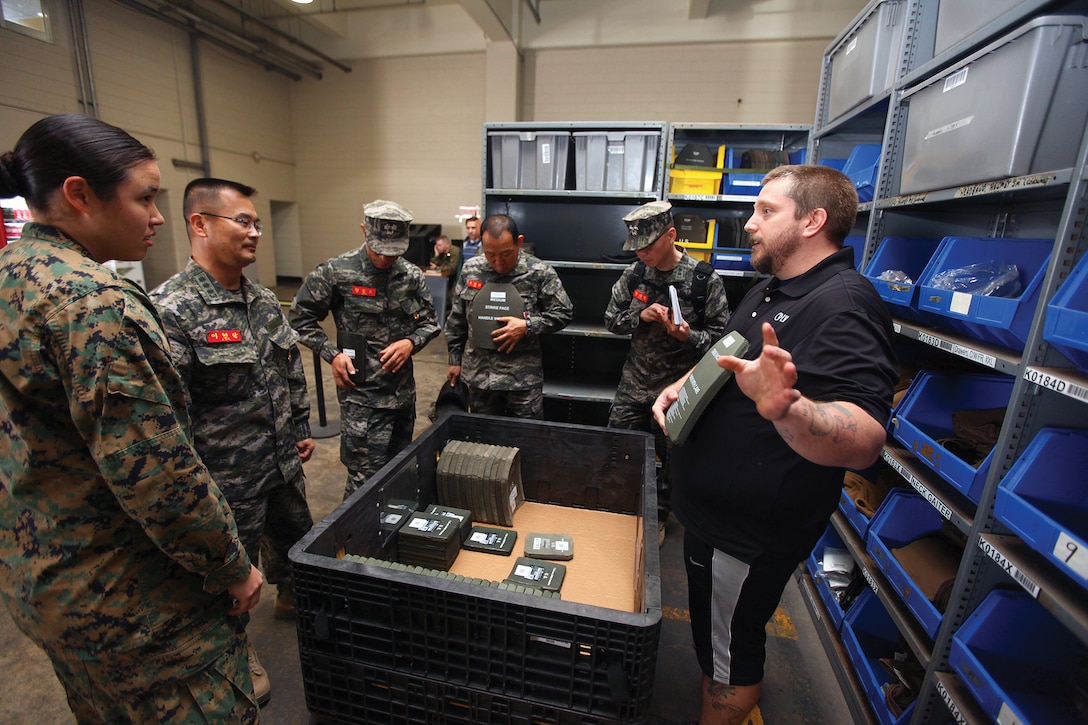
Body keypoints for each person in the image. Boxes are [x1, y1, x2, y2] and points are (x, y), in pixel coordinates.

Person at [0, 114, 263, 722]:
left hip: (43, 581)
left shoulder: (13, 276)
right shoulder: (92, 305)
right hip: (134, 604)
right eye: (145, 196)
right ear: (79, 194)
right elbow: (157, 474)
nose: (158, 215)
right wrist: (230, 564)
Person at [652, 164, 898, 725]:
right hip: (716, 517)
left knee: (730, 657)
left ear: (813, 221)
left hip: (748, 530)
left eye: (766, 210)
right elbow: (728, 359)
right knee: (719, 638)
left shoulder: (844, 305)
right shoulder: (773, 289)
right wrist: (682, 388)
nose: (748, 222)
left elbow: (864, 437)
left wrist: (789, 408)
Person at [150, 178, 316, 705]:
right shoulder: (171, 310)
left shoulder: (263, 299)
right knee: (232, 574)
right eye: (241, 221)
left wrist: (300, 427)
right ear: (199, 224)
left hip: (280, 465)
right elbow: (167, 417)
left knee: (295, 537)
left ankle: (294, 598)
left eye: (256, 223)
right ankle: (235, 647)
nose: (254, 232)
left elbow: (289, 371)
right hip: (224, 482)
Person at [289, 200, 440, 499]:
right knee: (364, 485)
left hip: (402, 397)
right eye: (379, 248)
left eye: (394, 250)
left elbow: (430, 322)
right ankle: (358, 543)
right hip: (362, 400)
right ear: (364, 231)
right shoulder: (336, 271)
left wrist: (411, 342)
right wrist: (331, 355)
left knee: (399, 472)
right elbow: (299, 318)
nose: (385, 257)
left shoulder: (411, 276)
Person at [604, 200, 730, 546]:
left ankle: (658, 515)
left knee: (672, 458)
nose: (641, 253)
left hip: (678, 387)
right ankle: (619, 508)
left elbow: (723, 344)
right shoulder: (635, 274)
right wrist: (638, 317)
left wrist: (687, 335)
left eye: (648, 245)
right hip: (635, 382)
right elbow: (610, 319)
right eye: (636, 247)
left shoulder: (704, 280)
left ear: (671, 235)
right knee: (618, 445)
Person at [444, 214, 573, 418]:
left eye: (506, 254)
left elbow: (563, 313)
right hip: (479, 378)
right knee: (482, 442)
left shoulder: (539, 272)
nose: (498, 263)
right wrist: (454, 360)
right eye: (490, 254)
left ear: (519, 242)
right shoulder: (471, 270)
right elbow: (457, 320)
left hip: (521, 380)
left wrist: (527, 326)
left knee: (526, 440)